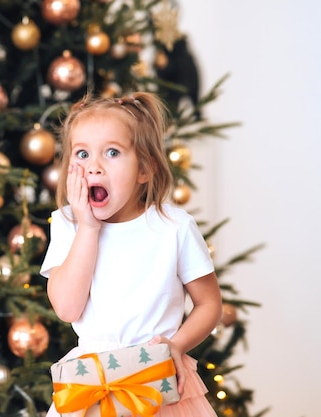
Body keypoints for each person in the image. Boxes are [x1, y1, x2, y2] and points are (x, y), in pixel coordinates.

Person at [40, 91, 222, 417]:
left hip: (157, 378)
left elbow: (210, 304)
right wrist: (88, 228)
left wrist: (177, 346)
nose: (93, 167)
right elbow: (67, 308)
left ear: (145, 169)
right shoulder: (68, 224)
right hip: (92, 383)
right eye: (82, 153)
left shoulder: (173, 227)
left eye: (112, 152)